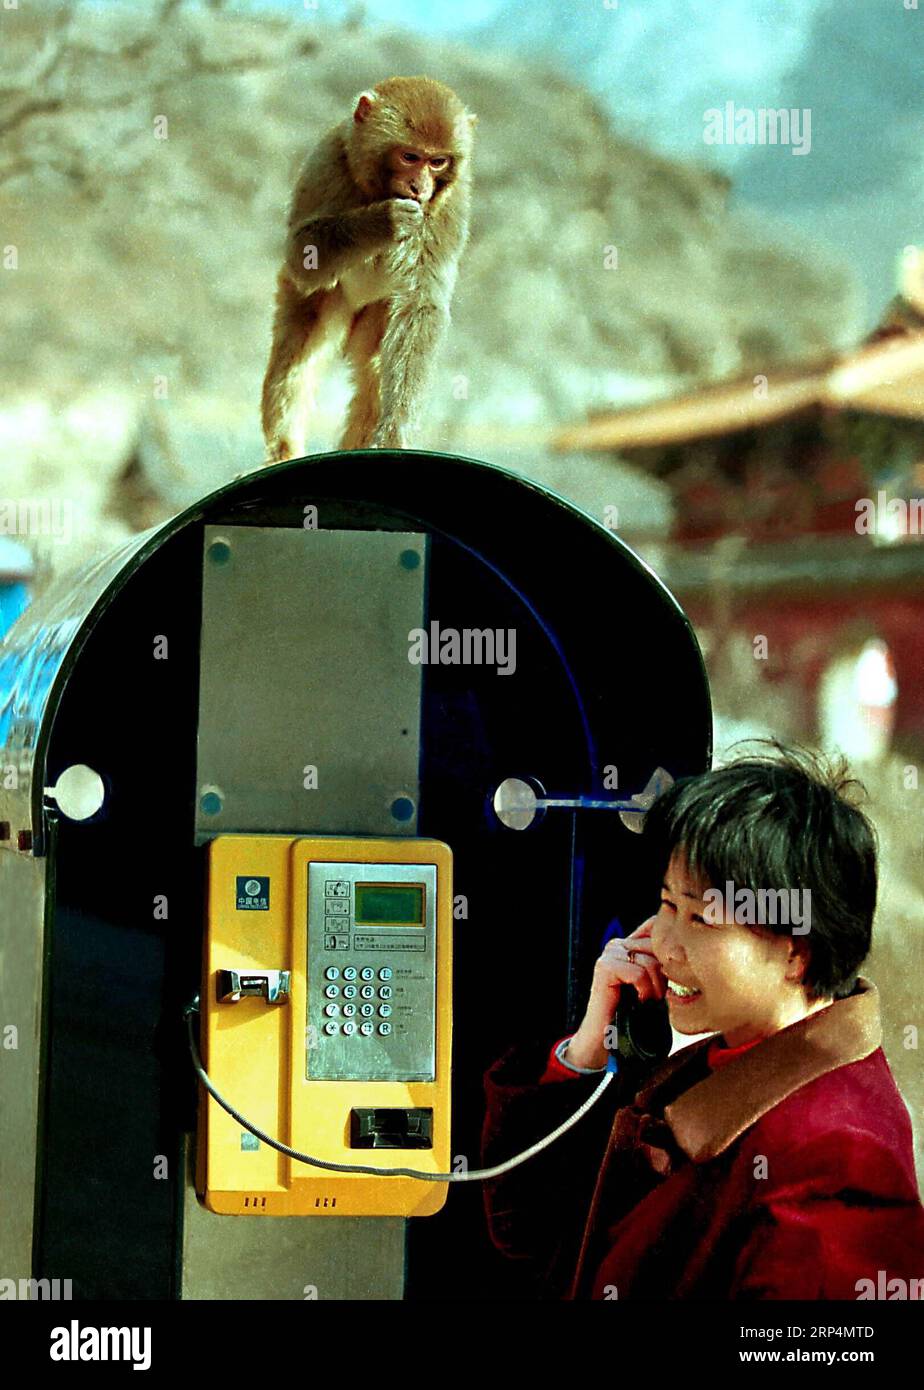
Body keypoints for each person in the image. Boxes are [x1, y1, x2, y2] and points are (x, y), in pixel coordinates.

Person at [480, 742, 924, 1299]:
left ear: (796, 953)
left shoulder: (837, 1156)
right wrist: (590, 1047)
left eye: (701, 919)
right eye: (667, 905)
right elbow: (531, 1233)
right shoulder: (714, 1068)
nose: (663, 943)